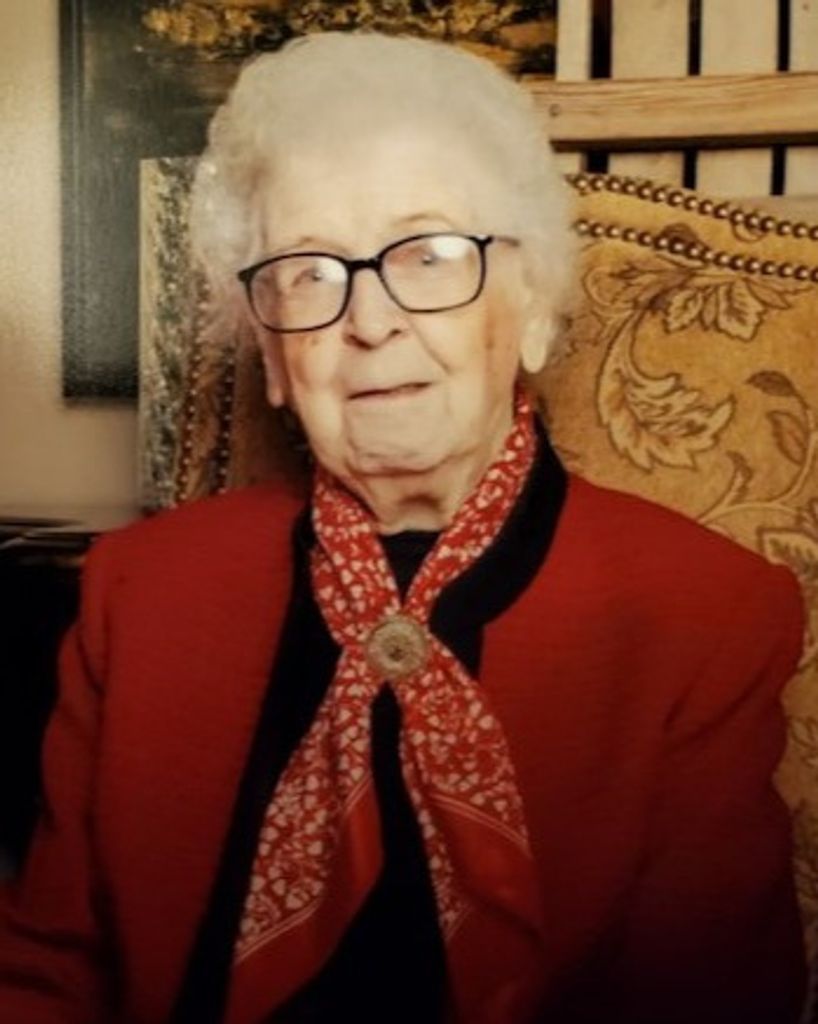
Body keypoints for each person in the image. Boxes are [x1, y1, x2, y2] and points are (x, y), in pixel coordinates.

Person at [0, 31, 806, 1024]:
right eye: (309, 270)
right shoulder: (141, 592)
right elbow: (48, 977)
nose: (370, 321)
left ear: (533, 305)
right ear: (273, 358)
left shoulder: (702, 614)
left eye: (428, 255)